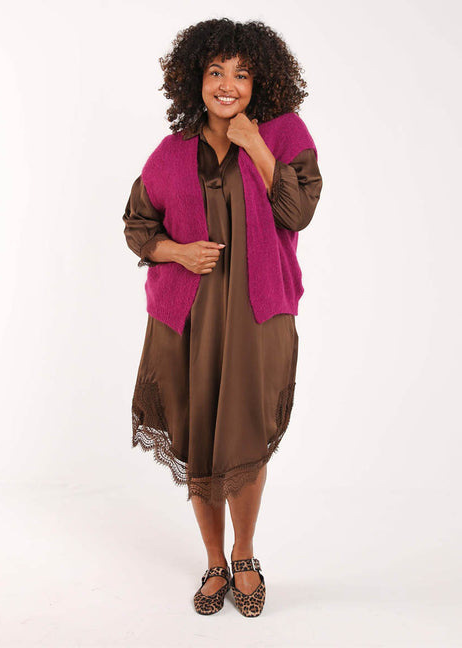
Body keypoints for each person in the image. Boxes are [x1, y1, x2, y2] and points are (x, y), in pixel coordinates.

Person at [122, 17, 323, 617]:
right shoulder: (171, 152)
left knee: (243, 435)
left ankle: (244, 553)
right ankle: (214, 560)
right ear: (196, 79)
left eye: (241, 73)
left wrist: (254, 143)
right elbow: (137, 224)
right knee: (200, 436)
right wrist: (177, 252)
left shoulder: (284, 134)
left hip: (257, 315)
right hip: (186, 319)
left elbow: (298, 212)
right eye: (215, 72)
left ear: (262, 82)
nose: (227, 84)